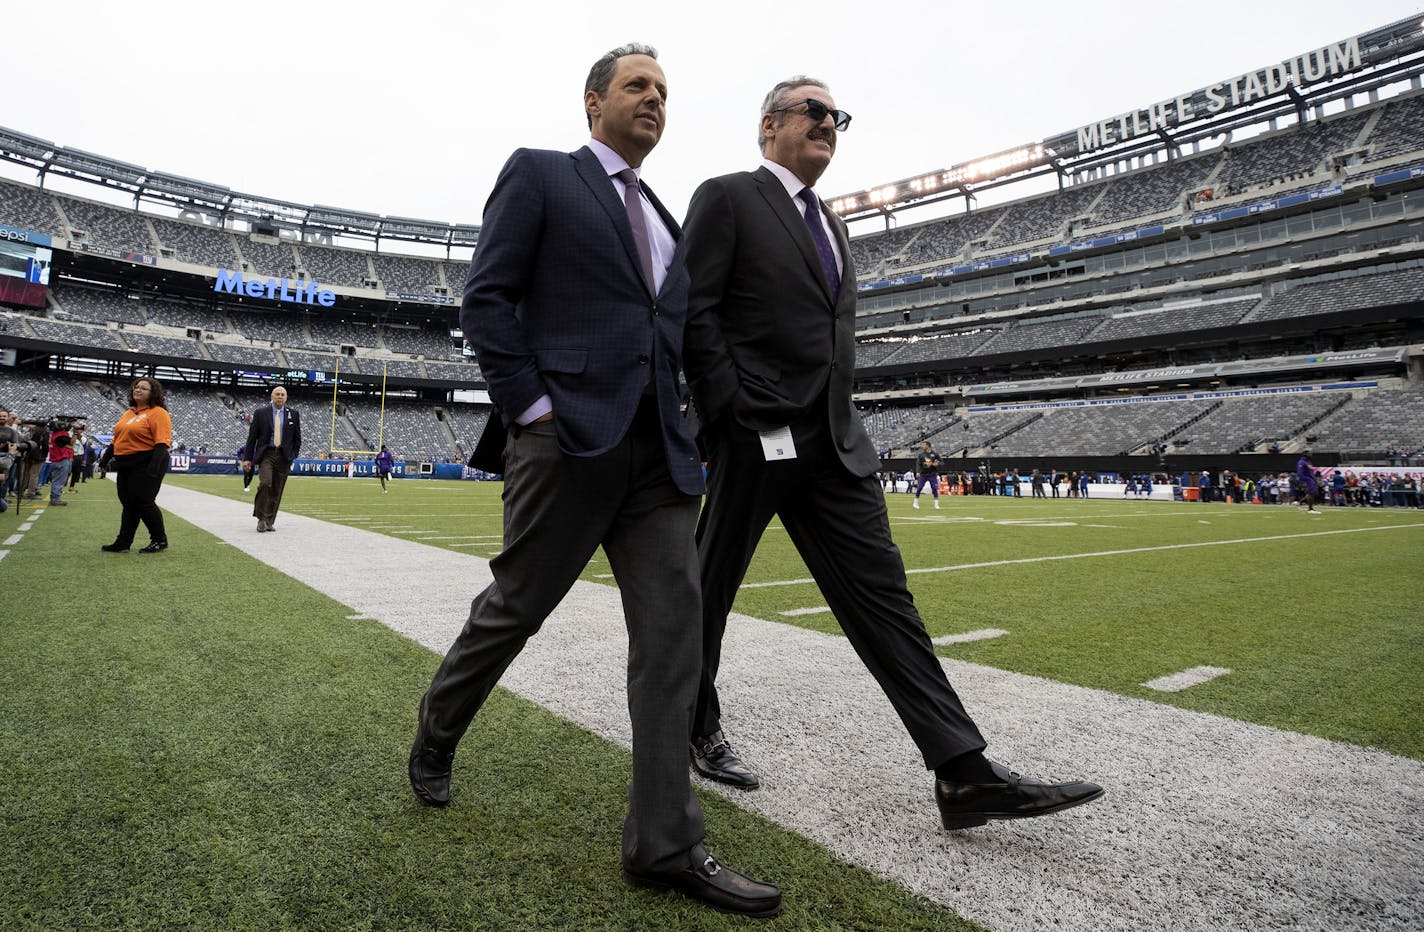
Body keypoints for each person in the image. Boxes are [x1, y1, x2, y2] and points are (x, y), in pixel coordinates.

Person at [406, 44, 779, 918]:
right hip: (566, 441)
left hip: (659, 455)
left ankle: (664, 845)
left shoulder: (665, 217)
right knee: (517, 607)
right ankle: (438, 728)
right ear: (592, 103)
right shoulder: (541, 175)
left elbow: (681, 336)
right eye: (638, 86)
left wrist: (725, 419)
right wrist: (533, 409)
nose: (654, 99)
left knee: (671, 636)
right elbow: (486, 299)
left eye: (664, 91)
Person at [681, 75, 1102, 833]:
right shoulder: (728, 196)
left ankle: (963, 773)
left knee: (886, 600)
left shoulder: (833, 225)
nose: (830, 124)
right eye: (814, 111)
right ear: (768, 125)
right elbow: (695, 310)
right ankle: (693, 722)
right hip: (757, 432)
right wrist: (730, 410)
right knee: (709, 589)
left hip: (837, 445)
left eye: (838, 116)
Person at [100, 378, 171, 553]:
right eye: (136, 387)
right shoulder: (128, 413)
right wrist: (104, 459)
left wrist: (153, 469)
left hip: (147, 461)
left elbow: (162, 443)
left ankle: (159, 540)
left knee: (144, 502)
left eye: (144, 388)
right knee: (128, 504)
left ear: (152, 393)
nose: (138, 390)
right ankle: (123, 542)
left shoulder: (158, 413)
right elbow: (116, 440)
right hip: (126, 463)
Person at [242, 386, 301, 532]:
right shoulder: (261, 413)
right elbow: (252, 438)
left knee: (277, 490)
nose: (280, 397)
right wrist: (247, 458)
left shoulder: (293, 414)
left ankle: (269, 521)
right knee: (265, 483)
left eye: (282, 395)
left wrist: (293, 455)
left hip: (284, 456)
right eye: (277, 394)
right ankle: (261, 518)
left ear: (286, 398)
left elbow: (297, 438)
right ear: (272, 396)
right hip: (267, 454)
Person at [45, 421, 74, 506]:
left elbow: (69, 446)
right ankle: (55, 498)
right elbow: (71, 444)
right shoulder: (60, 435)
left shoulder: (54, 435)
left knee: (58, 480)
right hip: (61, 459)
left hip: (56, 459)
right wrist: (75, 433)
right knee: (59, 480)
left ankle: (55, 497)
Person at [913, 440, 940, 509]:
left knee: (934, 488)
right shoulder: (921, 455)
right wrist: (918, 472)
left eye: (923, 445)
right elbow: (918, 464)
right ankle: (915, 503)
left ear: (928, 445)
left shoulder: (935, 454)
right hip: (923, 474)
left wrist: (937, 464)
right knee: (919, 487)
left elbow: (942, 462)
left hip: (932, 474)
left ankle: (936, 504)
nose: (922, 446)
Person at [1297, 449, 1321, 514]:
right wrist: (1306, 480)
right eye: (1309, 453)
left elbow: (1311, 471)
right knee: (1311, 493)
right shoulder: (1301, 462)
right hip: (1308, 479)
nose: (1311, 455)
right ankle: (1310, 509)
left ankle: (1300, 502)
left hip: (1312, 479)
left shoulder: (1309, 462)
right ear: (1305, 454)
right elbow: (1300, 473)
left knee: (1315, 493)